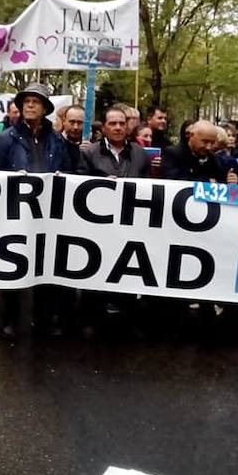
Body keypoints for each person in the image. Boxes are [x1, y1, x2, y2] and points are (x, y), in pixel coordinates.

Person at [0, 83, 72, 340]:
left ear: (45, 109)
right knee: (14, 266)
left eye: (35, 102)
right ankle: (10, 320)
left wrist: (62, 177)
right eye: (25, 101)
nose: (29, 105)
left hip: (47, 215)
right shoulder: (7, 138)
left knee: (46, 267)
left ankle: (44, 319)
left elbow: (69, 170)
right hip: (16, 213)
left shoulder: (57, 139)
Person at [77, 107, 151, 337]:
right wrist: (98, 183)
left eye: (122, 123)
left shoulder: (140, 153)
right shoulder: (89, 153)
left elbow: (148, 185)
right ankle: (90, 317)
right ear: (104, 127)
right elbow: (77, 182)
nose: (118, 127)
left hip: (130, 222)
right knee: (96, 266)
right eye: (113, 123)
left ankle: (127, 317)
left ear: (128, 126)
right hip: (99, 222)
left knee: (127, 268)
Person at [161, 120, 238, 183]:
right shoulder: (172, 154)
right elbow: (173, 180)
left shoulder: (213, 158)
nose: (209, 147)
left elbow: (220, 179)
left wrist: (229, 180)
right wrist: (206, 181)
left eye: (212, 142)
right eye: (205, 142)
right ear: (191, 136)